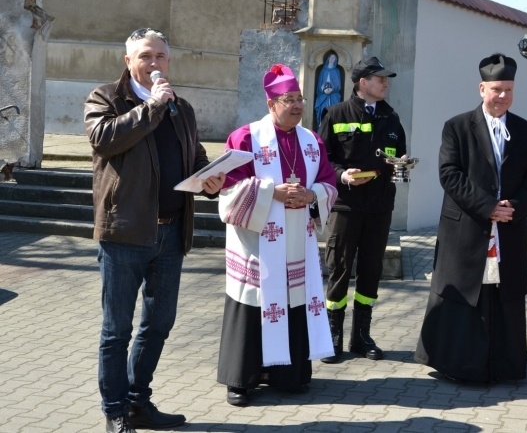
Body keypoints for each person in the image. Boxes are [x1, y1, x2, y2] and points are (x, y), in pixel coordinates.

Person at [84, 28, 226, 433]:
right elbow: (104, 139)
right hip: (125, 233)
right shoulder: (105, 99)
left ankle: (137, 400)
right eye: (146, 56)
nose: (155, 64)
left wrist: (209, 180)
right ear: (128, 61)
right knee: (117, 330)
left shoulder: (182, 109)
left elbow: (195, 157)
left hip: (170, 233)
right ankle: (114, 411)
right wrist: (152, 108)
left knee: (160, 323)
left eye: (161, 57)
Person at [415, 53, 527, 383]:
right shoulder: (457, 127)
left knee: (504, 295)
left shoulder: (524, 130)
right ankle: (460, 366)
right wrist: (488, 207)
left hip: (509, 226)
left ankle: (504, 365)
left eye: (509, 90)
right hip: (468, 225)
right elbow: (449, 174)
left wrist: (514, 206)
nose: (503, 96)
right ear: (482, 88)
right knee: (466, 293)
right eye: (497, 89)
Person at [216, 64, 338, 407]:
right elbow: (228, 188)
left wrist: (312, 196)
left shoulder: (312, 141)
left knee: (293, 301)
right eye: (289, 100)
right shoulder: (245, 137)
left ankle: (290, 374)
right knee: (254, 303)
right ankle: (242, 380)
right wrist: (272, 193)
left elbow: (328, 181)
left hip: (297, 240)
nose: (298, 105)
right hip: (258, 242)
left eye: (300, 99)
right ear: (271, 104)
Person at [317, 56, 407, 364]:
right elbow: (323, 159)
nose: (386, 83)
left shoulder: (391, 117)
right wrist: (342, 175)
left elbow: (397, 155)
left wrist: (401, 166)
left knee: (371, 269)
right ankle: (333, 335)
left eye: (386, 79)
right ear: (363, 82)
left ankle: (361, 336)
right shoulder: (336, 113)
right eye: (380, 79)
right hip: (347, 206)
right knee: (340, 267)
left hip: (379, 207)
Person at [313, 52, 343, 130]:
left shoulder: (336, 71)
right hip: (323, 96)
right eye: (331, 57)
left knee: (334, 112)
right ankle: (321, 129)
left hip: (334, 96)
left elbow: (338, 84)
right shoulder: (323, 71)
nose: (332, 59)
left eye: (334, 58)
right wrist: (323, 89)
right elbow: (319, 83)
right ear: (328, 58)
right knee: (322, 111)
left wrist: (332, 89)